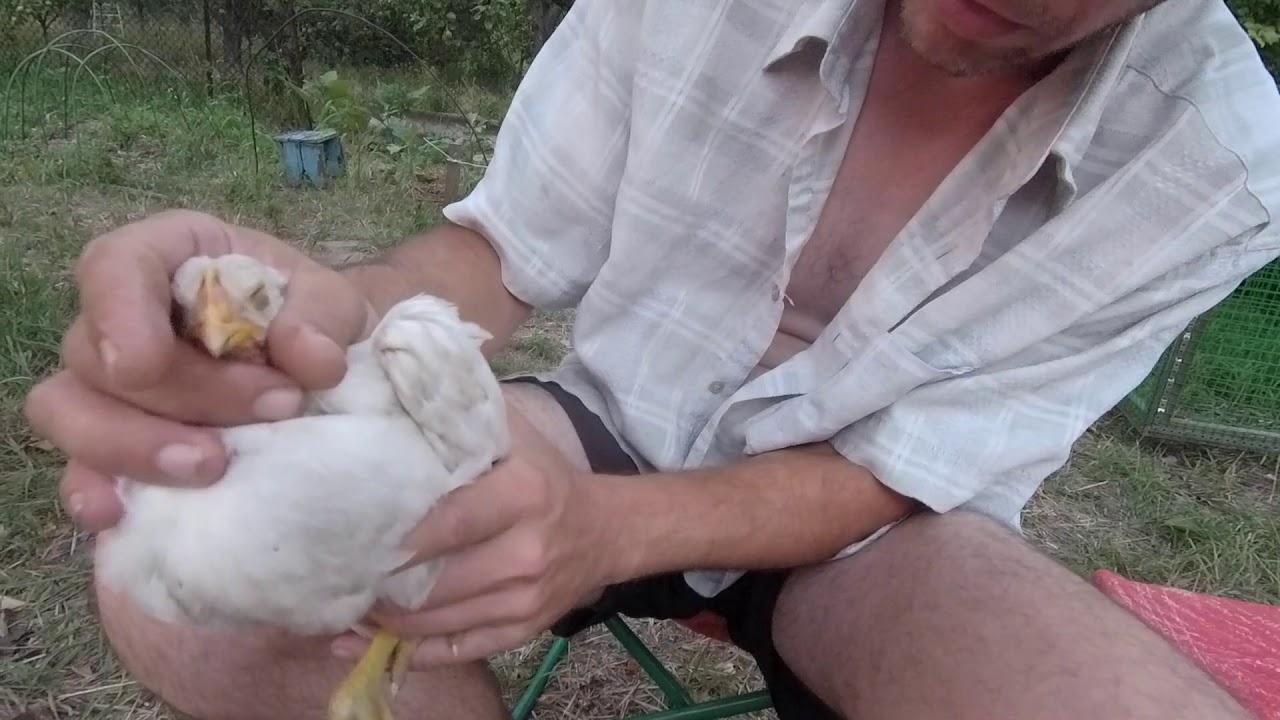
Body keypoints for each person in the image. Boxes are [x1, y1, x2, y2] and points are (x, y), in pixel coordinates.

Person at [23, 0, 1280, 717]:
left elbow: (908, 466)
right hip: (594, 419)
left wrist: (607, 532)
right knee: (198, 581)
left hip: (875, 527)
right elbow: (494, 259)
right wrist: (313, 318)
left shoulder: (1222, 156)